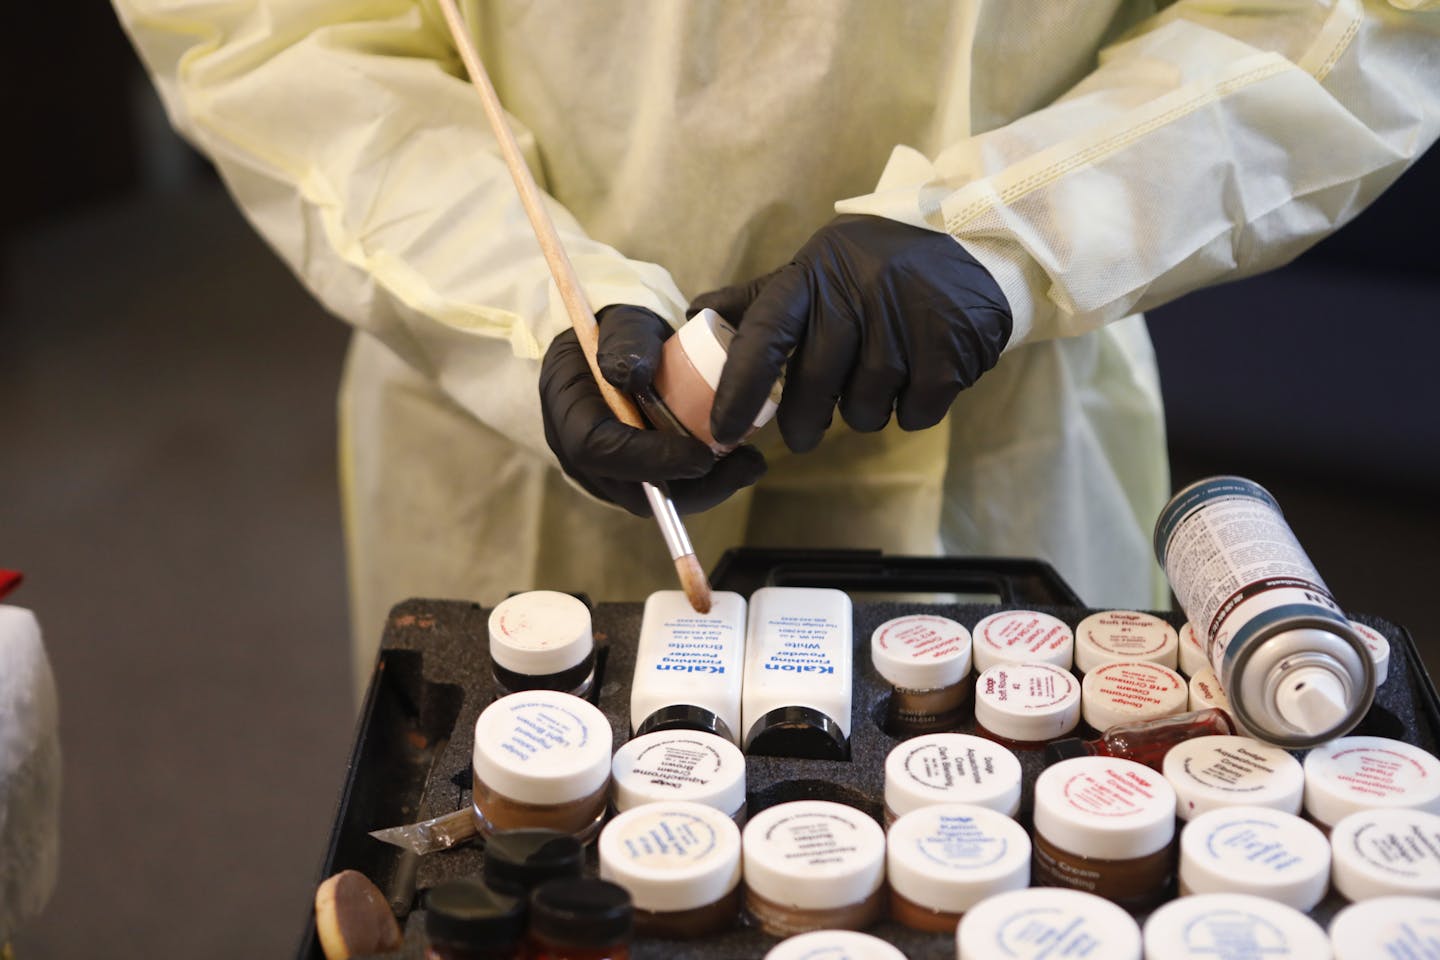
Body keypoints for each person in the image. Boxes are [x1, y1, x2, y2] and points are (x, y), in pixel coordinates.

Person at [114, 0, 1440, 693]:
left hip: (1007, 429)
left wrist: (1019, 228)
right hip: (511, 462)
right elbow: (272, 30)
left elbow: (1351, 17)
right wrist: (526, 292)